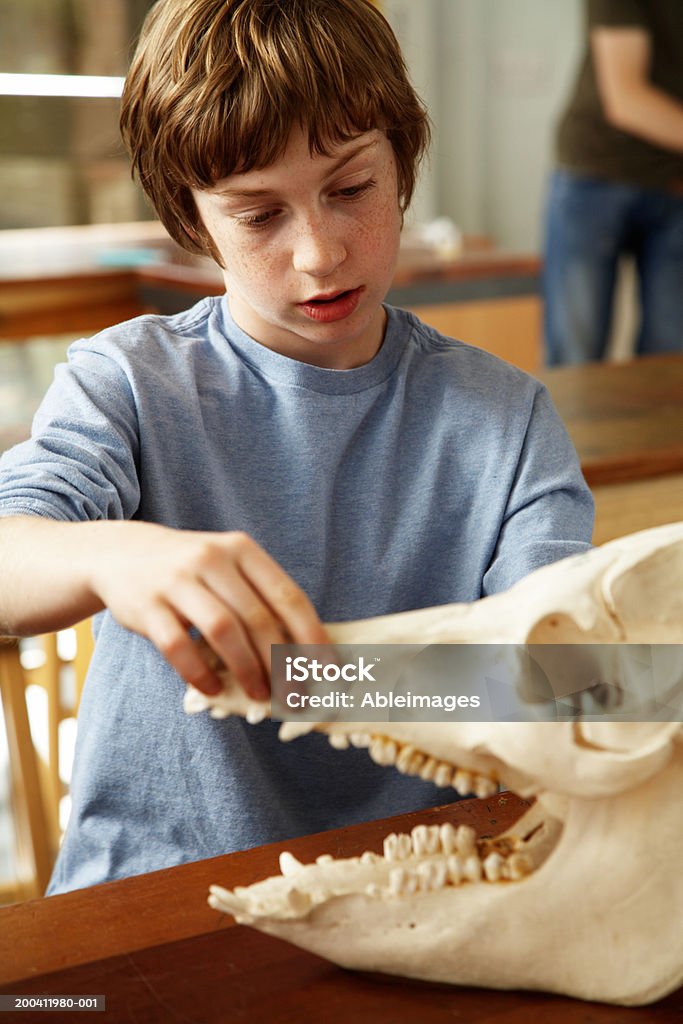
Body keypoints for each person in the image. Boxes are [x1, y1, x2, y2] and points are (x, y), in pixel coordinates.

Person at [0, 0, 593, 895]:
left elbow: (554, 686)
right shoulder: (129, 381)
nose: (318, 253)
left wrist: (298, 678)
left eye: (350, 190)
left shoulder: (505, 422)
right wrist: (108, 551)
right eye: (257, 214)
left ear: (401, 163)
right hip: (156, 899)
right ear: (194, 219)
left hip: (422, 898)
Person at [543, 0, 683, 366]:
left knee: (670, 360)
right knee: (576, 358)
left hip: (675, 182)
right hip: (595, 175)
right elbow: (627, 99)